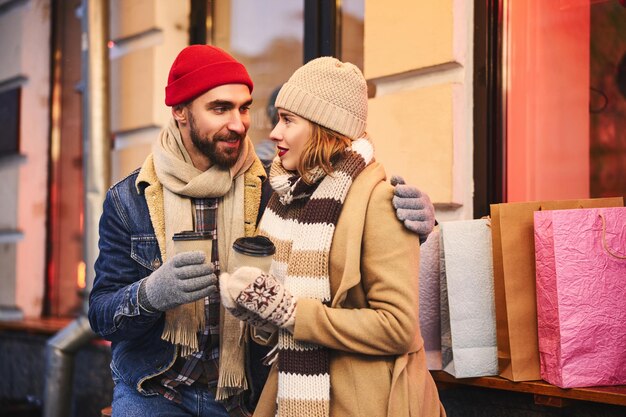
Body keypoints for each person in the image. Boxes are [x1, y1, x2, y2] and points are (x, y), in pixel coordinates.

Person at [88, 45, 436, 417]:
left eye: (244, 107)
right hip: (156, 390)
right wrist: (151, 294)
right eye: (220, 108)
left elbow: (349, 207)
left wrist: (420, 221)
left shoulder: (278, 182)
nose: (239, 124)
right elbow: (101, 314)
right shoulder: (129, 199)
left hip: (247, 393)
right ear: (180, 112)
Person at [220, 57, 445, 417]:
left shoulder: (381, 201)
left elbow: (399, 328)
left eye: (289, 120)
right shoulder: (288, 198)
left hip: (366, 401)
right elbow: (281, 313)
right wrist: (259, 314)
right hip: (292, 389)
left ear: (325, 129)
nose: (275, 133)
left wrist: (291, 313)